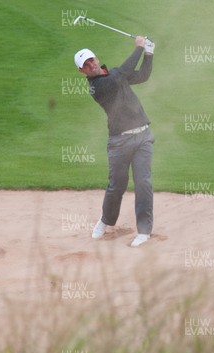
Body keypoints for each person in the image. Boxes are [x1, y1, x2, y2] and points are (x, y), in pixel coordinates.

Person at [74, 36, 156, 247]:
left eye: (91, 60)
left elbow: (142, 76)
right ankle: (105, 221)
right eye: (86, 65)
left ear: (96, 58)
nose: (90, 65)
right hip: (119, 142)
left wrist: (148, 53)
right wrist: (138, 47)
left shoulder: (114, 75)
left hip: (143, 136)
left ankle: (144, 231)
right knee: (116, 186)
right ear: (81, 71)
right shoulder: (97, 86)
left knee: (143, 183)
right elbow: (125, 71)